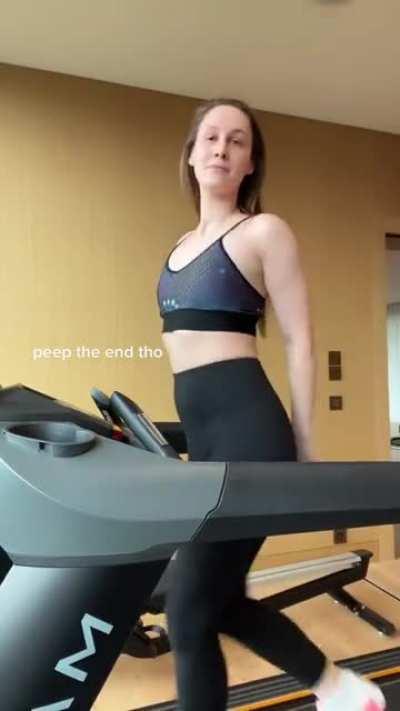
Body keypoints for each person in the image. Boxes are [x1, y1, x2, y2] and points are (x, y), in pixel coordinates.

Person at [156, 98, 385, 711]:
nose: (221, 148)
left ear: (251, 162)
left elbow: (299, 340)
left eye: (237, 140)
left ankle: (338, 688)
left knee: (188, 610)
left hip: (250, 433)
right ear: (191, 153)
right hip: (207, 440)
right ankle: (340, 689)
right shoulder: (179, 246)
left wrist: (304, 450)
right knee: (213, 600)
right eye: (210, 137)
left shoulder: (263, 231)